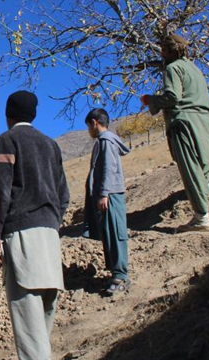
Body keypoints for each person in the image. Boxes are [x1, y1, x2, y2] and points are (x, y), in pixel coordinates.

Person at [0, 90, 70, 360]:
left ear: (8, 114)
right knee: (45, 314)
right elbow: (63, 195)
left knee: (27, 317)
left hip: (21, 234)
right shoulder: (51, 145)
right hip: (49, 236)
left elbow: (2, 192)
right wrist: (52, 223)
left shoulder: (8, 141)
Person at [141, 33, 209, 232]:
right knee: (202, 162)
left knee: (190, 168)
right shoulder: (195, 69)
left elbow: (173, 97)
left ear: (167, 51)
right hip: (203, 121)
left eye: (163, 50)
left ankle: (201, 217)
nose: (162, 54)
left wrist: (152, 100)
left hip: (183, 124)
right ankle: (207, 185)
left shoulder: (172, 69)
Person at [83, 108, 131, 295]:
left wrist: (104, 193)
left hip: (110, 195)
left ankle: (121, 276)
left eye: (88, 126)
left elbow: (109, 169)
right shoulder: (104, 142)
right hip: (107, 195)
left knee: (115, 233)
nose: (88, 131)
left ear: (95, 122)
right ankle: (115, 274)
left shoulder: (107, 142)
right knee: (109, 233)